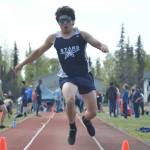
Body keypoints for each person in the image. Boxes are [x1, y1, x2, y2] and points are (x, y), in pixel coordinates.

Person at [14, 6, 109, 145]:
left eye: (67, 20)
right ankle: (72, 127)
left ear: (73, 22)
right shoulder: (54, 38)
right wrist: (22, 64)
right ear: (58, 22)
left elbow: (97, 42)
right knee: (69, 100)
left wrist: (103, 47)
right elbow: (38, 52)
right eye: (61, 20)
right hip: (67, 77)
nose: (64, 23)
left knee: (93, 112)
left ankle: (86, 119)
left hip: (84, 75)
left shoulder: (81, 35)